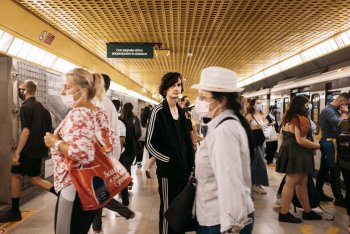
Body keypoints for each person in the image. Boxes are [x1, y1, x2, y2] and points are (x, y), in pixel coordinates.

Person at [44, 68, 118, 234]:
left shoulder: (79, 114)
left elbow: (82, 154)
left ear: (82, 90)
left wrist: (54, 142)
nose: (63, 92)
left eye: (67, 87)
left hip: (75, 185)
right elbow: (111, 145)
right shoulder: (99, 113)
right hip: (94, 185)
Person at [192, 66, 254, 234]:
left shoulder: (225, 131)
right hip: (214, 215)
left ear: (222, 101)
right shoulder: (220, 126)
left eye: (203, 97)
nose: (199, 101)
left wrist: (231, 225)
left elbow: (230, 180)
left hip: (220, 222)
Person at [145, 72, 194, 234]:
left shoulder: (180, 112)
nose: (176, 88)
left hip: (183, 172)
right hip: (168, 172)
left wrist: (191, 164)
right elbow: (150, 143)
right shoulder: (158, 111)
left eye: (179, 85)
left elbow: (186, 141)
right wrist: (168, 159)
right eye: (172, 85)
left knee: (180, 212)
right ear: (165, 88)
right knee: (168, 210)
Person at [0, 79, 55, 223]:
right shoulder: (43, 109)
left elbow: (25, 131)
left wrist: (17, 152)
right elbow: (49, 130)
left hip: (28, 150)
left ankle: (15, 211)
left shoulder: (26, 107)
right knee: (34, 178)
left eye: (20, 88)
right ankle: (61, 195)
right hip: (39, 150)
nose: (19, 90)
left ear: (26, 91)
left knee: (15, 174)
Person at [91, 75, 140, 234]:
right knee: (97, 190)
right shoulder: (107, 103)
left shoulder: (100, 103)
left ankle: (123, 212)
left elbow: (99, 132)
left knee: (96, 192)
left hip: (100, 154)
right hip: (105, 153)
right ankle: (97, 225)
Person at [276, 95, 322, 223]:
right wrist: (317, 146)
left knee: (302, 182)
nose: (309, 106)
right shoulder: (301, 118)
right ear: (302, 105)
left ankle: (307, 212)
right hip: (298, 152)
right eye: (308, 104)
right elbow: (300, 140)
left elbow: (281, 135)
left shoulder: (288, 116)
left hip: (289, 149)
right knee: (291, 183)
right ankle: (284, 213)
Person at [316, 93, 349, 207]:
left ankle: (318, 192)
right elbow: (339, 123)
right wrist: (344, 112)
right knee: (334, 171)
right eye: (346, 104)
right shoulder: (328, 110)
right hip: (330, 143)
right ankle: (339, 199)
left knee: (324, 169)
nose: (346, 106)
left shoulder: (332, 109)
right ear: (342, 102)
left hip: (330, 143)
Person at [119, 102, 142, 206]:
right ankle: (127, 185)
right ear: (132, 109)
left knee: (121, 168)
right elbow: (138, 133)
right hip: (131, 147)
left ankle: (122, 189)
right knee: (127, 166)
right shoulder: (134, 119)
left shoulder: (120, 119)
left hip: (121, 147)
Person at [245, 99, 269, 194]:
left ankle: (253, 183)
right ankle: (256, 184)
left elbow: (263, 125)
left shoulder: (261, 115)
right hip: (253, 142)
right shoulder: (249, 116)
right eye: (258, 103)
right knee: (260, 162)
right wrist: (256, 127)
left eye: (260, 103)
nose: (260, 104)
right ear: (253, 106)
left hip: (260, 140)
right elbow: (245, 128)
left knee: (256, 162)